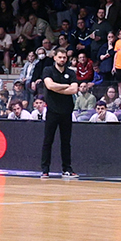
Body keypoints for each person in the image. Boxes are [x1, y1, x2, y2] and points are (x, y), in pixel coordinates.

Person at [39, 47, 80, 178]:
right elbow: (49, 86)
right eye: (60, 57)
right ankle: (45, 169)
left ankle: (67, 168)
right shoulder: (48, 70)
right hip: (52, 111)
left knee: (66, 142)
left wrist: (57, 88)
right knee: (48, 141)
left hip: (66, 111)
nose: (62, 59)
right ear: (55, 57)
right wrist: (66, 86)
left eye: (64, 57)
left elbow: (74, 89)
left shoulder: (70, 72)